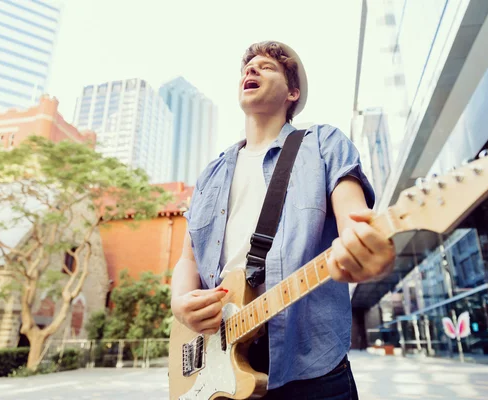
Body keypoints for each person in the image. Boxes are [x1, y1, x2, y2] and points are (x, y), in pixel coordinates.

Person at [170, 41, 396, 399]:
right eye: (248, 66)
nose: (252, 70)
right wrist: (180, 302)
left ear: (293, 92)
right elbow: (189, 258)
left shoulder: (323, 142)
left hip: (312, 368)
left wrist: (365, 249)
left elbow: (353, 220)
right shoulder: (210, 173)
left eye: (267, 67)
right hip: (214, 366)